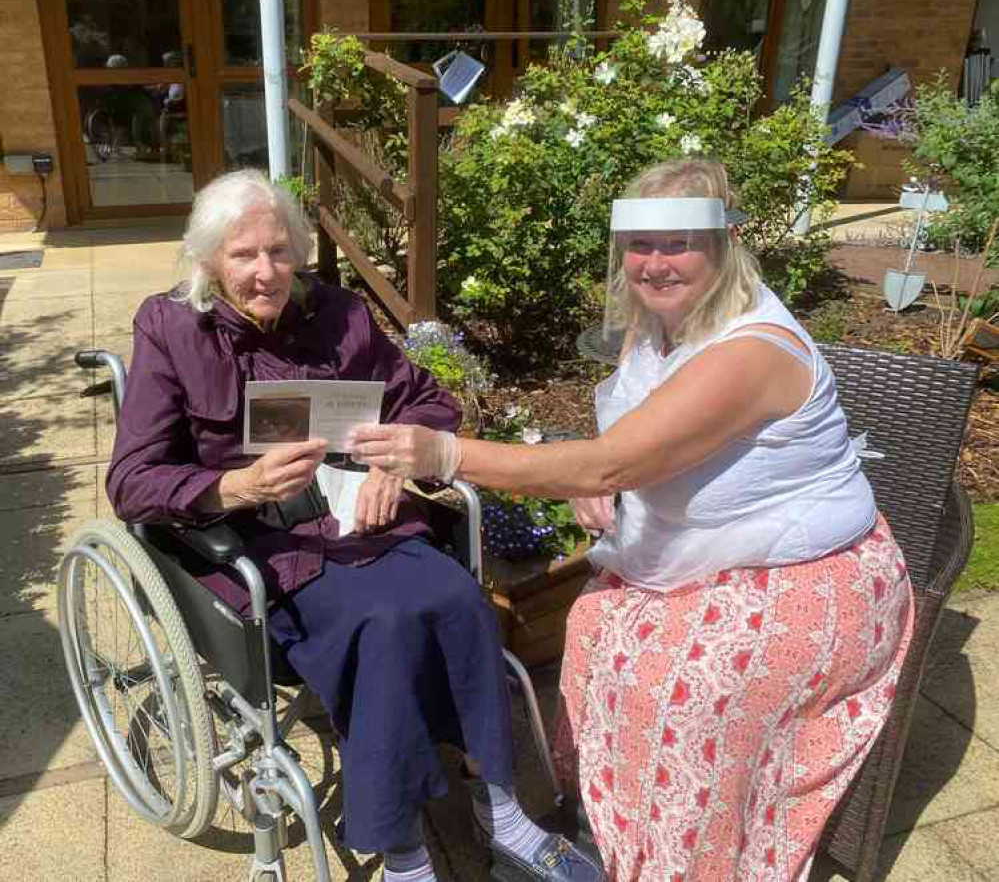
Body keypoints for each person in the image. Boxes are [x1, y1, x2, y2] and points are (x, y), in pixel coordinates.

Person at [347, 159, 915, 882]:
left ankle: (693, 858)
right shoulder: (654, 320)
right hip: (703, 553)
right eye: (638, 244)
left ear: (727, 240)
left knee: (686, 695)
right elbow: (626, 413)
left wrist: (446, 451)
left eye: (677, 242)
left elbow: (608, 460)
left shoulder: (751, 352)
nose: (652, 262)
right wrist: (610, 485)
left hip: (804, 577)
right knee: (593, 631)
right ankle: (621, 830)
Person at [106, 169, 603, 882]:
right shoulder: (171, 327)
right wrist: (232, 484)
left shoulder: (339, 313)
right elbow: (130, 480)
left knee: (461, 600)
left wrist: (392, 468)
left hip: (360, 515)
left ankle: (503, 810)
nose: (265, 271)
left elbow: (427, 402)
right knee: (385, 628)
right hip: (256, 543)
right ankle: (401, 851)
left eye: (279, 252)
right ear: (209, 259)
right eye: (244, 255)